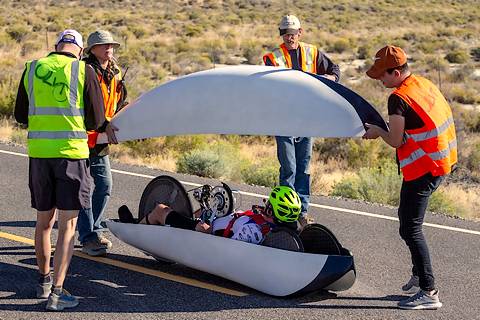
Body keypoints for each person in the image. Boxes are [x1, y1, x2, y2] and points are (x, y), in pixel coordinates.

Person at [14, 29, 105, 311]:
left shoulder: (32, 68)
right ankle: (58, 292)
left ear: (56, 47)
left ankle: (42, 282)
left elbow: (19, 115)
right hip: (71, 156)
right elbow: (97, 119)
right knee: (68, 226)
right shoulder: (82, 70)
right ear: (79, 49)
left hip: (40, 156)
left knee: (44, 223)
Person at [363, 45, 457, 310]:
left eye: (382, 75)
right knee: (409, 223)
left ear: (395, 72)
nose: (380, 80)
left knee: (410, 228)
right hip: (441, 163)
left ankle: (429, 291)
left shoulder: (398, 98)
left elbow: (394, 139)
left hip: (423, 169)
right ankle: (418, 275)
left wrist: (378, 132)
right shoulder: (422, 84)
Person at [263, 14, 340, 227]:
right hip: (284, 120)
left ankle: (302, 211)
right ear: (282, 34)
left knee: (304, 167)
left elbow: (334, 70)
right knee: (289, 168)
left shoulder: (312, 52)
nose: (289, 38)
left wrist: (330, 78)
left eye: (293, 33)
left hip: (307, 119)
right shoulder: (272, 57)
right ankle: (284, 212)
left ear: (300, 32)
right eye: (285, 34)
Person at [77, 30, 127, 257]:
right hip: (81, 139)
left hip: (100, 140)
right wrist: (103, 123)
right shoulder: (83, 71)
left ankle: (94, 229)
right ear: (92, 49)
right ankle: (87, 237)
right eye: (104, 45)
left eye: (111, 45)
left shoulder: (114, 72)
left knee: (105, 186)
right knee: (85, 190)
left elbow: (118, 103)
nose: (109, 49)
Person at [118, 186, 302, 244]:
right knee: (200, 211)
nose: (265, 203)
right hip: (214, 222)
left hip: (206, 233)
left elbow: (231, 249)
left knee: (160, 209)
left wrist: (203, 229)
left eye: (269, 202)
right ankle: (141, 222)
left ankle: (135, 227)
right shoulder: (268, 225)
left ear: (272, 209)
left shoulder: (254, 230)